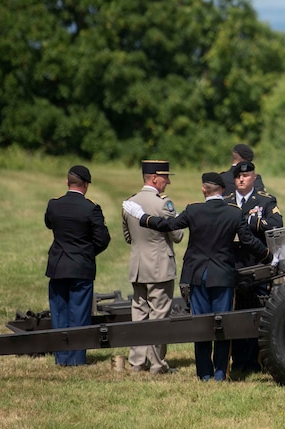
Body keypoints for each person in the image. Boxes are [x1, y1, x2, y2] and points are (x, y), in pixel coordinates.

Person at [123, 173, 271, 382]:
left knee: (200, 325)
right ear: (223, 191)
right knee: (223, 325)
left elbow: (168, 225)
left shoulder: (194, 210)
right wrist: (268, 256)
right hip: (222, 276)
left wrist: (142, 217)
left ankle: (204, 373)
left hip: (197, 274)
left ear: (204, 189)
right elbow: (249, 241)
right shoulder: (233, 213)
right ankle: (220, 373)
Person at [43, 165, 111, 366]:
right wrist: (87, 254)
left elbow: (49, 224)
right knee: (79, 314)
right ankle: (76, 359)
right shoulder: (91, 208)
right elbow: (103, 239)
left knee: (59, 313)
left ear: (67, 182)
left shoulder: (54, 205)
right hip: (81, 267)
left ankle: (61, 358)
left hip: (58, 265)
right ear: (86, 185)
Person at [122, 159, 184, 375]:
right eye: (165, 177)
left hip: (138, 266)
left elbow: (128, 237)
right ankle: (157, 364)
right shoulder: (163, 204)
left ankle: (137, 363)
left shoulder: (130, 203)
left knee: (139, 314)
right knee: (159, 316)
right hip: (160, 266)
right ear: (154, 178)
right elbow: (177, 235)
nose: (168, 182)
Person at [225, 160, 281, 376]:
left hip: (257, 263)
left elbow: (276, 224)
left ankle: (255, 360)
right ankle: (238, 360)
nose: (241, 179)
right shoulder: (226, 201)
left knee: (258, 312)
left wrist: (251, 222)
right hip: (234, 262)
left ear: (254, 178)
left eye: (246, 176)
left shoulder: (265, 201)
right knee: (237, 313)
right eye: (238, 176)